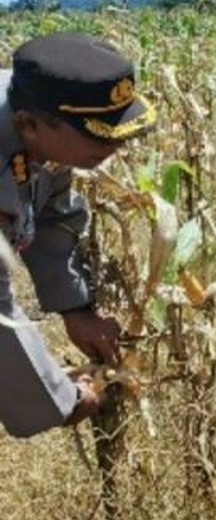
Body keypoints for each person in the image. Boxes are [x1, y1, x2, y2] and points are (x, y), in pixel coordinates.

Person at [1, 33, 156, 437]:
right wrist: (59, 400)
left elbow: (52, 214)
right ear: (27, 125)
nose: (115, 147)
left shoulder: (37, 115)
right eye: (99, 136)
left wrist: (76, 309)